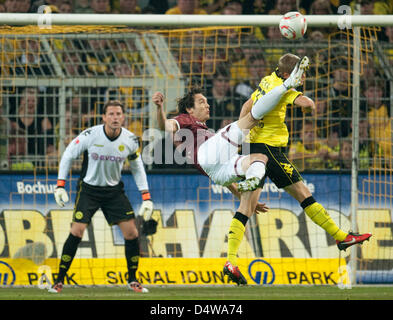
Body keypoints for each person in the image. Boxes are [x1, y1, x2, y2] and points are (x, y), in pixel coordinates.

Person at [152, 56, 309, 285]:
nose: (207, 104)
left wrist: (242, 195)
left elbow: (224, 179)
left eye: (207, 101)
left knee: (259, 159)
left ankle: (251, 183)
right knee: (251, 118)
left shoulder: (203, 129)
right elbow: (163, 127)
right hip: (208, 155)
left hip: (217, 171)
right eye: (202, 102)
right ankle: (287, 84)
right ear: (189, 108)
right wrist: (160, 109)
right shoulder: (183, 119)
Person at [239, 53, 372, 255]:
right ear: (287, 74)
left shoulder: (266, 81)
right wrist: (306, 105)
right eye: (300, 73)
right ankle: (341, 237)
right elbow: (308, 104)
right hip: (269, 149)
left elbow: (246, 106)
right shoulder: (281, 88)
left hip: (255, 146)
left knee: (246, 207)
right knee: (303, 194)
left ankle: (230, 261)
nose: (303, 78)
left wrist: (241, 138)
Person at [49, 100, 154, 294]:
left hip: (113, 192)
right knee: (77, 231)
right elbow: (68, 155)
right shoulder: (90, 135)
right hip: (89, 190)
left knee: (132, 233)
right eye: (111, 114)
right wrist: (60, 185)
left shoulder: (131, 140)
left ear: (123, 117)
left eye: (118, 114)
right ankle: (59, 280)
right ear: (104, 117)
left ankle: (133, 280)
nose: (115, 117)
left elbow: (137, 168)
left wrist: (146, 196)